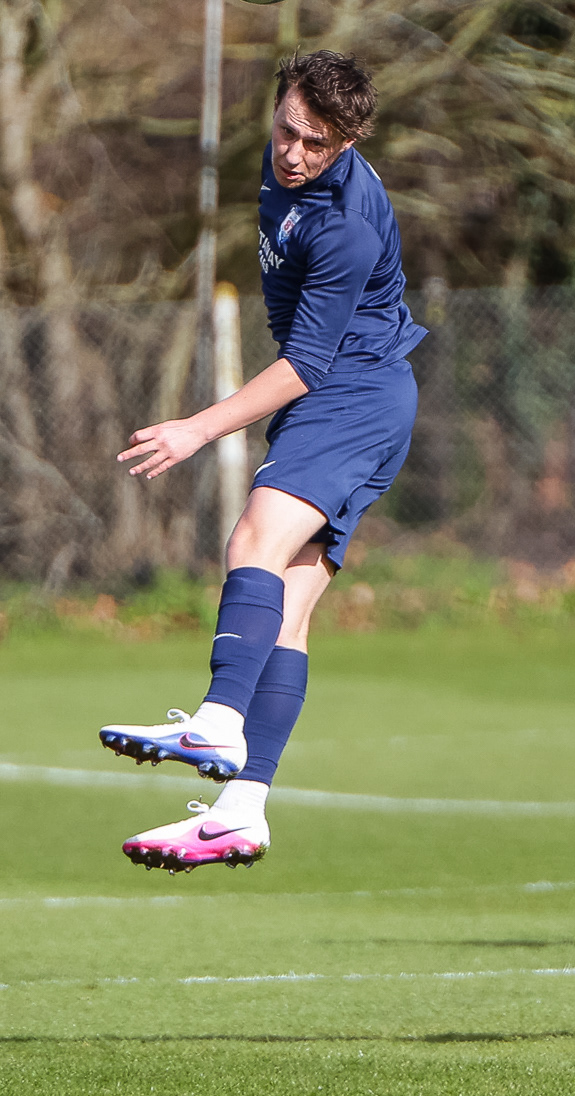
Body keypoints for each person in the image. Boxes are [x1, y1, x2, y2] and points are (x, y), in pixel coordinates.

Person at [98, 51, 425, 871]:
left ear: (348, 143)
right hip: (361, 398)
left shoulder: (346, 223)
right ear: (277, 109)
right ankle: (241, 809)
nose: (295, 154)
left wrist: (197, 429)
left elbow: (306, 365)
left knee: (252, 541)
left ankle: (217, 719)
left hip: (350, 393)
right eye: (288, 131)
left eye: (318, 145)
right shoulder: (280, 161)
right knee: (288, 609)